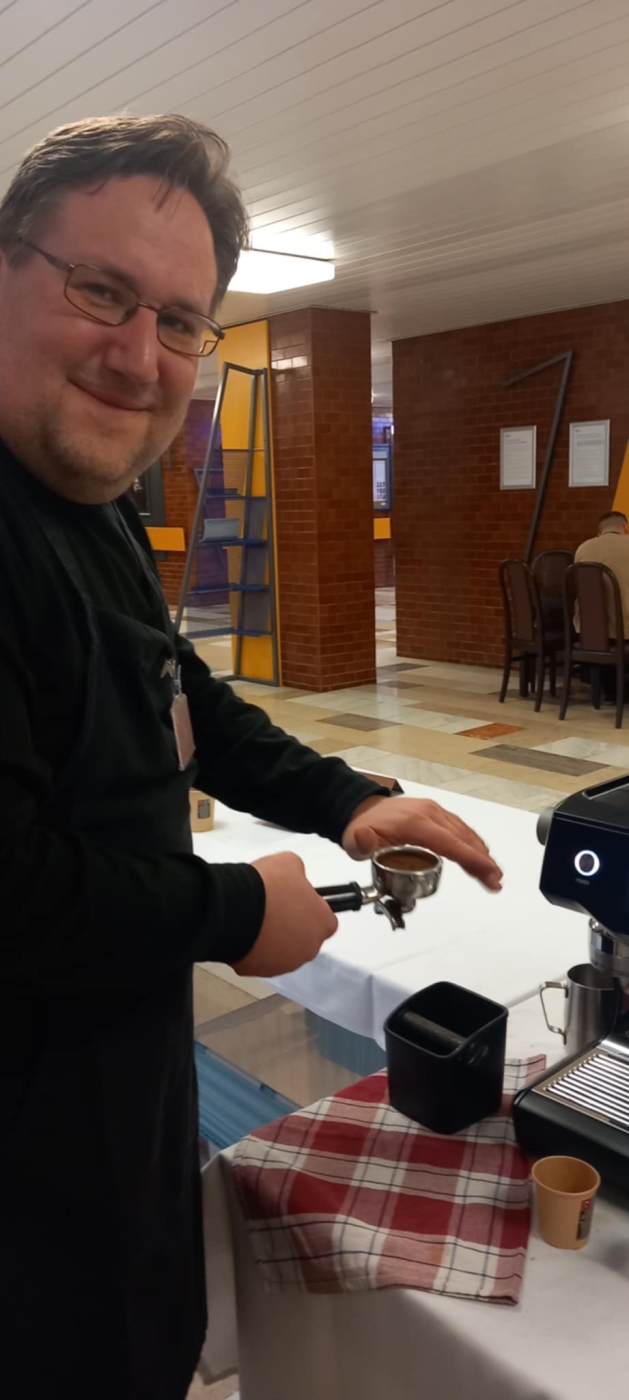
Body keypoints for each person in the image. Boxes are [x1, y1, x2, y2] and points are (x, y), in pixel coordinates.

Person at [0, 115, 502, 1400]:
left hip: (106, 1116)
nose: (138, 353)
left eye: (179, 320)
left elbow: (181, 694)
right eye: (99, 289)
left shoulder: (92, 508)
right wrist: (234, 910)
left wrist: (343, 801)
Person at [575, 509, 629, 636]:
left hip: (589, 629)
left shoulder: (583, 548)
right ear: (625, 527)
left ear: (599, 532)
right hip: (625, 630)